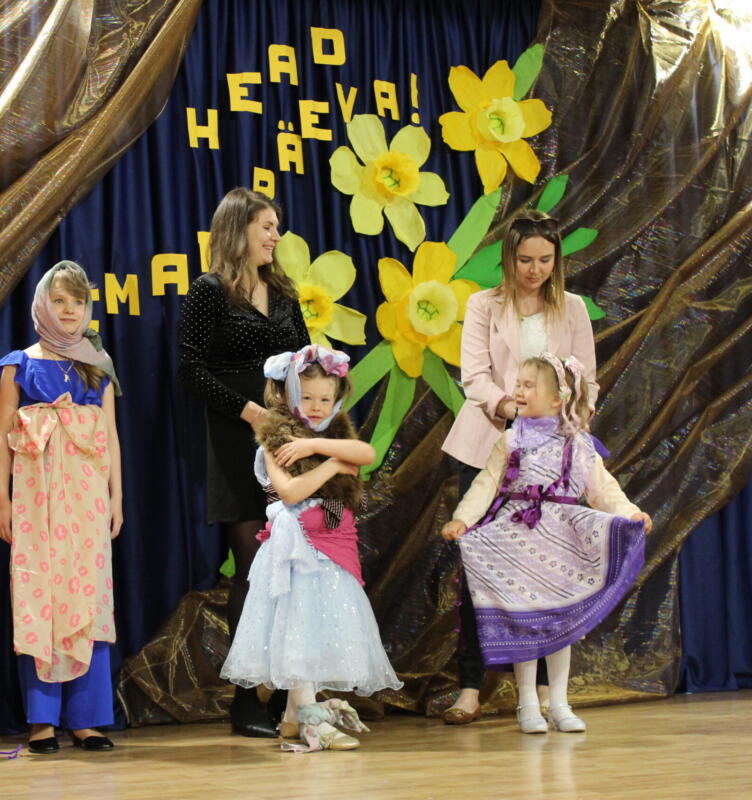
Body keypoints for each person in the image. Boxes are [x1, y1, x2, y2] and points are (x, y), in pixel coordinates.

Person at [439, 211, 598, 724]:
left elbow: (586, 379)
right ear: (509, 258)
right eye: (526, 260)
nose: (535, 270)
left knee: (549, 570)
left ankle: (549, 692)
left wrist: (572, 420)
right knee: (480, 570)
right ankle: (470, 686)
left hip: (551, 456)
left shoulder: (572, 308)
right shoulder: (483, 304)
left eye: (545, 260)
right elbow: (474, 377)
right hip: (491, 444)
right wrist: (513, 409)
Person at [441, 354, 650, 734]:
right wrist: (463, 518)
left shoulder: (579, 444)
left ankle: (558, 703)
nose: (518, 391)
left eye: (528, 385)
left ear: (557, 399)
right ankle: (527, 704)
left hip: (559, 543)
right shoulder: (510, 440)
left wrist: (630, 512)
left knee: (558, 622)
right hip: (518, 538)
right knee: (524, 620)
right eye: (518, 384)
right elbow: (486, 484)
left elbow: (602, 489)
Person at [221, 345, 402, 751]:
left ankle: (292, 718)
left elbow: (367, 453)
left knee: (319, 629)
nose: (317, 407)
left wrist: (318, 448)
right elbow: (290, 492)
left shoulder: (331, 438)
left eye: (325, 399)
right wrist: (332, 465)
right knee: (298, 629)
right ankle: (307, 717)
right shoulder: (274, 442)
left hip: (332, 549)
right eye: (307, 398)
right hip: (295, 552)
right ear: (288, 395)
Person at [178, 188, 310, 737]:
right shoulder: (208, 292)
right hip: (236, 443)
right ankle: (246, 699)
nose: (276, 235)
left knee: (291, 568)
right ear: (239, 229)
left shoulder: (283, 291)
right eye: (267, 226)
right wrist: (247, 409)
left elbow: (305, 359)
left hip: (286, 442)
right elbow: (189, 368)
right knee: (255, 569)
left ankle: (285, 695)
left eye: (277, 226)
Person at [0, 261, 123, 754]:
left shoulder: (98, 365)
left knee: (87, 595)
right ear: (43, 305)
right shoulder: (19, 364)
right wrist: (2, 498)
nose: (69, 310)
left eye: (77, 301)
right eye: (59, 300)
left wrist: (116, 496)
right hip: (36, 498)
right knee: (39, 594)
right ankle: (42, 719)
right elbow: (2, 437)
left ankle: (87, 718)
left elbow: (110, 435)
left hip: (86, 499)